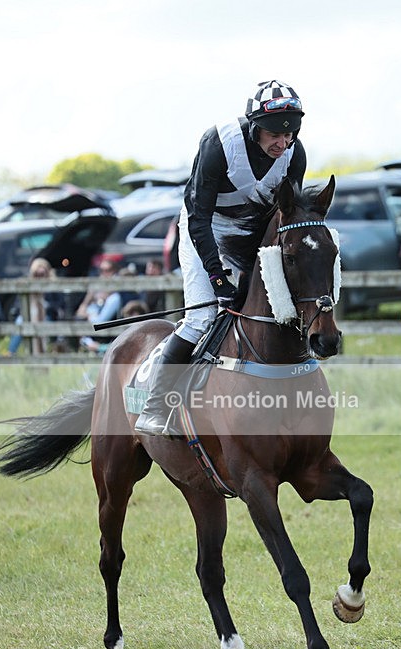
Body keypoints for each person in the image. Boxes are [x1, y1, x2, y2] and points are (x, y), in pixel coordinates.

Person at [135, 79, 307, 436]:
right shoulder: (220, 144)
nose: (283, 142)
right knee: (201, 319)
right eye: (275, 133)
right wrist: (217, 280)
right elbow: (197, 218)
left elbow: (286, 217)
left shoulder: (295, 154)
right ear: (256, 127)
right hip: (205, 229)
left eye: (289, 134)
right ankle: (154, 404)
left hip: (249, 234)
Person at [5, 258, 65, 356]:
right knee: (20, 322)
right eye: (37, 274)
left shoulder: (53, 284)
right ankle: (11, 352)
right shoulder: (27, 284)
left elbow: (60, 303)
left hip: (47, 315)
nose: (40, 276)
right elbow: (18, 304)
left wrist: (47, 305)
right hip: (28, 315)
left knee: (44, 323)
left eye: (42, 273)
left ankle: (42, 353)